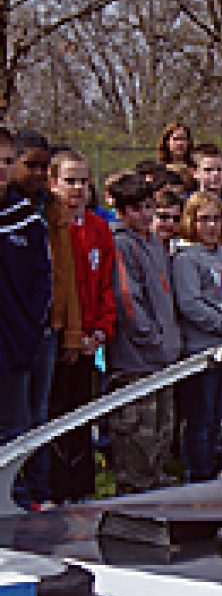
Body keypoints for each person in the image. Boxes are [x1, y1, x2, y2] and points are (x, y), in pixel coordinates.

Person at [11, 131, 81, 506]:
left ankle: (40, 490)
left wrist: (70, 331)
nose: (37, 173)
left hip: (48, 326)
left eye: (43, 166)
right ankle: (17, 491)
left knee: (41, 414)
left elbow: (64, 273)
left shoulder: (52, 209)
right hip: (15, 328)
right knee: (16, 418)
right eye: (30, 165)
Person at [106, 174, 181, 494]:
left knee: (162, 426)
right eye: (137, 209)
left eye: (149, 206)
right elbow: (128, 299)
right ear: (121, 211)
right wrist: (149, 336)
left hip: (163, 355)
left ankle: (156, 476)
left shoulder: (153, 243)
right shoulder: (121, 244)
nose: (146, 215)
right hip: (136, 359)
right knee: (137, 428)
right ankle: (134, 484)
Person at [48, 150, 116, 502]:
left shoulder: (98, 228)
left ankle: (82, 489)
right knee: (53, 417)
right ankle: (55, 490)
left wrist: (101, 331)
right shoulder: (50, 227)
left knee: (80, 416)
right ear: (53, 183)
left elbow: (107, 285)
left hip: (90, 340)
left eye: (82, 181)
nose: (76, 188)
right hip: (58, 341)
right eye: (68, 180)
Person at [172, 193, 222, 482]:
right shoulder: (186, 258)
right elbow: (190, 304)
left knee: (219, 415)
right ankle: (198, 473)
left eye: (216, 219)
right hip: (200, 350)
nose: (211, 226)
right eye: (204, 219)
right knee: (200, 419)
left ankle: (215, 465)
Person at [0, 127, 51, 500]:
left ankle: (15, 501)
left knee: (17, 430)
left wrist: (28, 331)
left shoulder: (26, 219)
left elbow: (40, 282)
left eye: (5, 162)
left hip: (14, 347)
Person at [151, 189, 183, 257]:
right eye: (164, 216)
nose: (171, 223)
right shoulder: (135, 247)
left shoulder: (186, 250)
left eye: (176, 219)